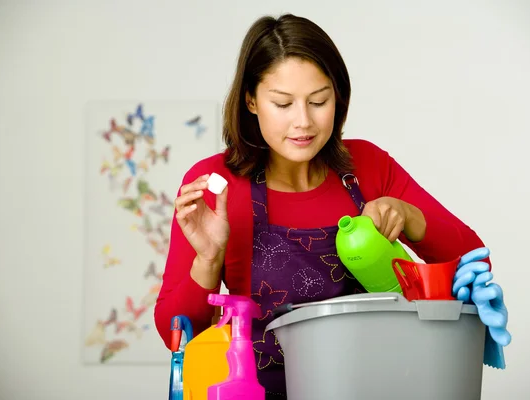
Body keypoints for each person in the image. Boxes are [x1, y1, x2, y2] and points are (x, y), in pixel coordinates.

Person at [155, 13, 490, 398]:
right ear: (250, 100)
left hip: (377, 386)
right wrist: (208, 259)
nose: (303, 122)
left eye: (319, 101)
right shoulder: (219, 184)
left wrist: (409, 215)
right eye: (283, 104)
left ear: (338, 96)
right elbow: (173, 333)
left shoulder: (368, 167)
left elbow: (476, 264)